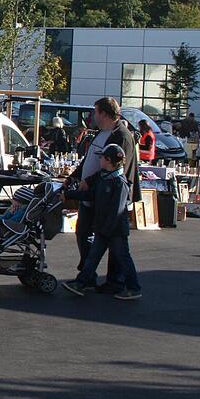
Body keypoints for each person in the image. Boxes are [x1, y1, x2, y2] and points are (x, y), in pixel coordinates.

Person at [68, 97, 140, 293]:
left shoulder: (122, 136)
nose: (93, 116)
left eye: (96, 112)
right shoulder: (102, 133)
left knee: (114, 246)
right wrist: (74, 177)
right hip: (94, 194)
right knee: (86, 235)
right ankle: (88, 277)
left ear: (105, 114)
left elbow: (116, 169)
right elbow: (88, 160)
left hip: (106, 199)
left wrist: (89, 182)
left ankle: (112, 281)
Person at [62, 143, 142, 300]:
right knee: (93, 257)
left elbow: (117, 211)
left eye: (102, 157)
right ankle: (81, 283)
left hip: (115, 231)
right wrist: (71, 194)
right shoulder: (104, 178)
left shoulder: (120, 183)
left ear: (109, 160)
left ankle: (134, 288)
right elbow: (91, 195)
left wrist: (106, 230)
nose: (99, 160)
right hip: (103, 228)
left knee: (123, 258)